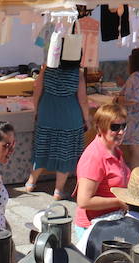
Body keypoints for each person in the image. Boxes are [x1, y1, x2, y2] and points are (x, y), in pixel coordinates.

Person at [26, 61, 92, 200]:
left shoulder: (46, 69)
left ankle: (31, 183)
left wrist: (37, 110)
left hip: (47, 113)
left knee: (42, 149)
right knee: (65, 153)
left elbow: (37, 89)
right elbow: (83, 100)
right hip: (70, 116)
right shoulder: (77, 74)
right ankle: (58, 190)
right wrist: (87, 119)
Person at [73, 102, 131, 243]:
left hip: (109, 222)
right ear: (100, 128)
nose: (121, 131)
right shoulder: (94, 157)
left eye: (124, 126)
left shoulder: (114, 149)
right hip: (93, 229)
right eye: (115, 127)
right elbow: (84, 201)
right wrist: (119, 202)